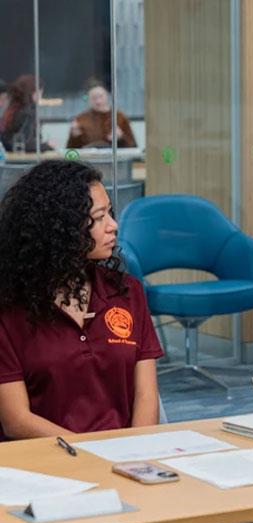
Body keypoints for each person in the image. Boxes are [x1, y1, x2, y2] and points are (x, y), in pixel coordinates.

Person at [0, 160, 163, 441]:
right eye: (98, 218)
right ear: (60, 228)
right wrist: (91, 454)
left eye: (109, 213)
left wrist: (137, 451)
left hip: (124, 457)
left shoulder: (128, 291)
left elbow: (147, 397)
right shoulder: (9, 308)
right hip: (46, 462)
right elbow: (16, 421)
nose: (113, 226)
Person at [67, 80, 137, 148]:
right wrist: (74, 137)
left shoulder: (120, 117)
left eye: (101, 96)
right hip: (88, 159)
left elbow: (134, 148)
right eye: (93, 98)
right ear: (88, 99)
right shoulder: (81, 119)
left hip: (114, 159)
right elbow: (70, 153)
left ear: (107, 95)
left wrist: (121, 137)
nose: (98, 101)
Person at [0, 74, 55, 152]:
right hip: (22, 159)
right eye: (39, 92)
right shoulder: (25, 112)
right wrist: (47, 146)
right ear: (32, 92)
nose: (40, 97)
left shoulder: (13, 109)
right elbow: (25, 144)